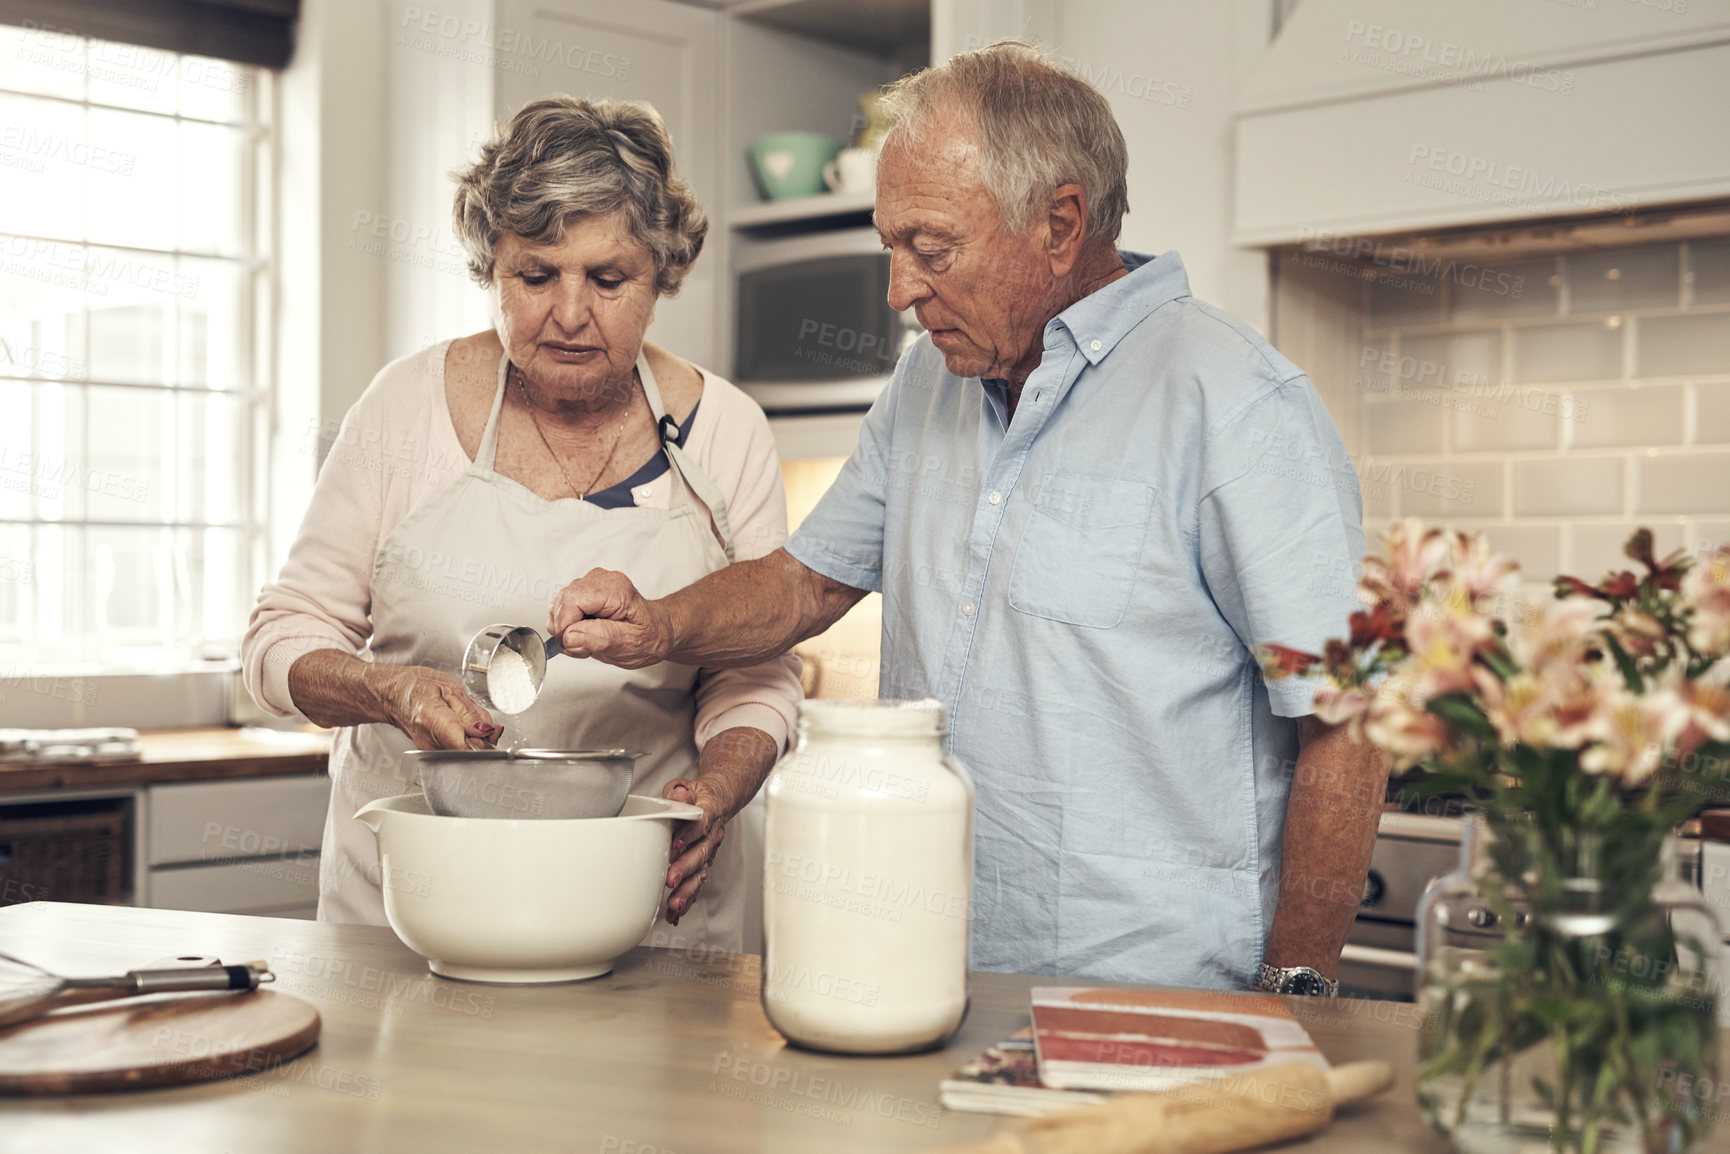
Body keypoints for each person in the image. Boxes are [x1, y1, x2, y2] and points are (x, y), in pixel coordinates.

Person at [548, 44, 1386, 993]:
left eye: (931, 250)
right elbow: (805, 582)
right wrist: (662, 622)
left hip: (1158, 996)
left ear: (1060, 224)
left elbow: (1351, 718)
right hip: (932, 972)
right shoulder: (927, 384)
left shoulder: (1236, 402)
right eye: (890, 249)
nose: (900, 291)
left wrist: (1295, 996)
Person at [242, 97, 801, 952]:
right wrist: (385, 691)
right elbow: (282, 638)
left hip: (644, 913)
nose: (570, 314)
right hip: (413, 915)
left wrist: (720, 788)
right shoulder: (406, 407)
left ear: (661, 277)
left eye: (609, 280)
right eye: (535, 276)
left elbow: (754, 672)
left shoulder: (724, 432)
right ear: (490, 269)